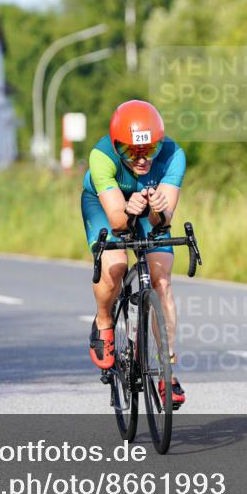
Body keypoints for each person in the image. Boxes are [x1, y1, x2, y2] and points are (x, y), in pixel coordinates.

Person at [81, 100, 186, 406]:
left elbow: (163, 220)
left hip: (146, 208)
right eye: (131, 152)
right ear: (117, 147)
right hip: (107, 207)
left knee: (161, 278)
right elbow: (117, 220)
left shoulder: (174, 155)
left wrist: (157, 210)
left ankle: (167, 370)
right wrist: (128, 210)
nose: (142, 160)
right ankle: (104, 321)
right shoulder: (102, 156)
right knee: (115, 264)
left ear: (160, 143)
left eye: (150, 150)